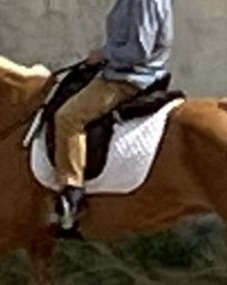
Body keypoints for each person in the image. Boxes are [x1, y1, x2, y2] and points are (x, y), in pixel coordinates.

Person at [53, 0, 174, 234]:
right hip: (119, 72)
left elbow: (139, 51)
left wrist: (103, 54)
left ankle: (71, 194)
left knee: (68, 117)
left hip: (128, 79)